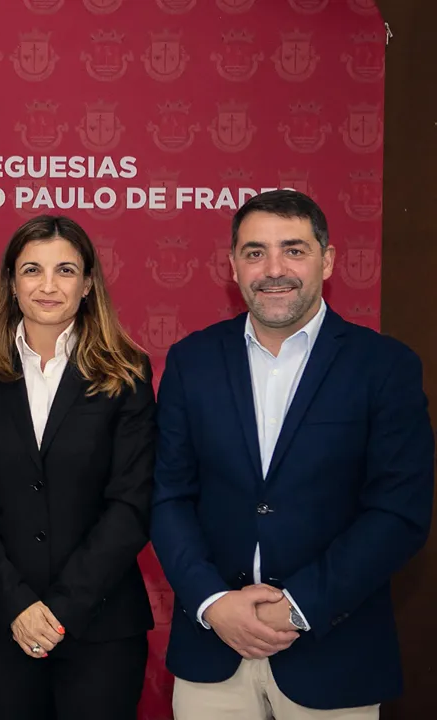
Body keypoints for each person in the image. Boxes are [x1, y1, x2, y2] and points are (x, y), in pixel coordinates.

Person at [151, 190, 434, 719]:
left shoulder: (385, 366)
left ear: (327, 260)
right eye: (255, 252)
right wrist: (213, 603)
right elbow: (169, 496)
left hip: (334, 651)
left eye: (294, 250)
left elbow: (398, 513)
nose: (273, 269)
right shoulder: (192, 361)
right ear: (232, 265)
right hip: (213, 651)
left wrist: (298, 607)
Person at [0, 215, 156, 720]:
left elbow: (131, 503)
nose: (47, 285)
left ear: (87, 284)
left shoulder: (127, 371)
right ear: (11, 284)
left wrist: (61, 609)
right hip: (3, 624)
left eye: (65, 270)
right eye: (32, 270)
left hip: (103, 624)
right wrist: (17, 605)